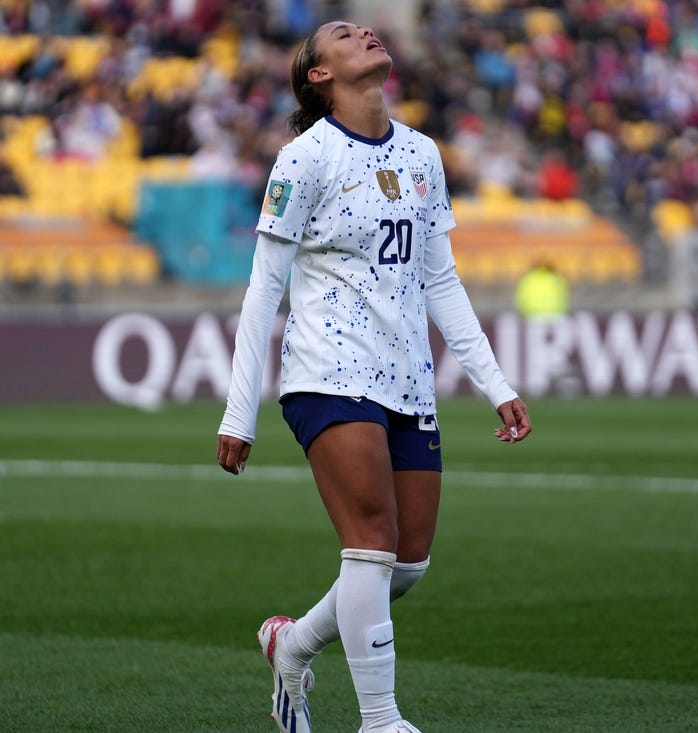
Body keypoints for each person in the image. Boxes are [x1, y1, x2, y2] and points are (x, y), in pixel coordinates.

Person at [216, 20, 532, 733]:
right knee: (370, 542)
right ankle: (381, 720)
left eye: (364, 28)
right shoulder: (304, 158)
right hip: (327, 369)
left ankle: (289, 642)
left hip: (407, 378)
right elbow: (264, 287)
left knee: (406, 565)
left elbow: (440, 279)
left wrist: (496, 381)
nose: (365, 31)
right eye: (342, 34)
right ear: (319, 75)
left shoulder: (421, 153)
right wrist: (241, 412)